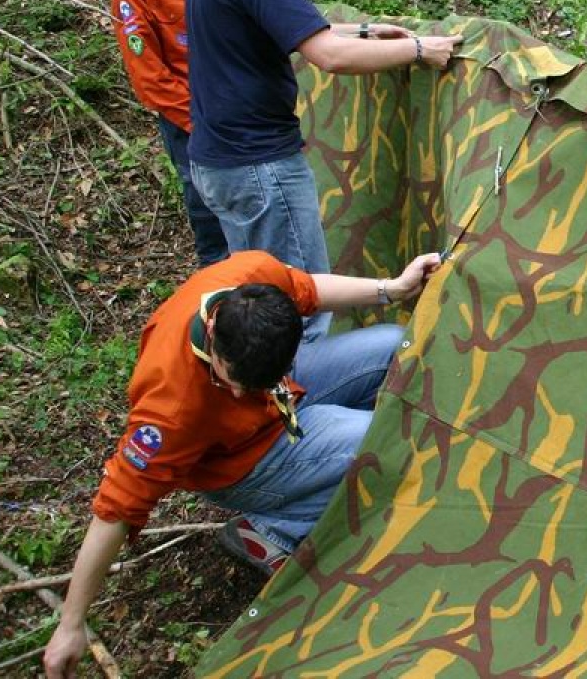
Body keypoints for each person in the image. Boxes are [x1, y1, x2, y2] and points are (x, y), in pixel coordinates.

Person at [41, 249, 442, 678]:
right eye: (228, 380)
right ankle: (275, 530)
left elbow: (306, 288)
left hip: (282, 397)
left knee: (395, 346)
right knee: (381, 441)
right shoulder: (172, 406)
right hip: (241, 461)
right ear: (213, 332)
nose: (235, 394)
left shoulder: (252, 279)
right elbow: (115, 510)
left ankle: (315, 475)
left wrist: (391, 289)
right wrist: (71, 622)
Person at [185, 0, 463, 276]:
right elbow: (328, 55)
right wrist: (421, 50)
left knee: (257, 293)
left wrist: (369, 32)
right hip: (260, 165)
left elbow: (290, 30)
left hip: (219, 161)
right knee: (297, 304)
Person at [110, 0, 227, 267]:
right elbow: (149, 80)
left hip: (238, 104)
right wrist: (203, 122)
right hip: (190, 120)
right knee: (208, 214)